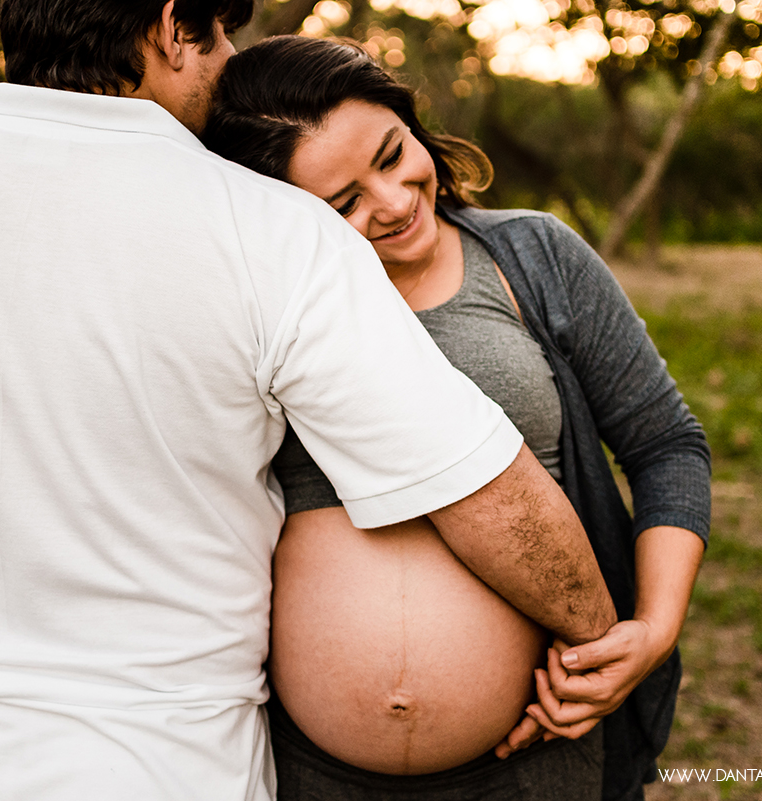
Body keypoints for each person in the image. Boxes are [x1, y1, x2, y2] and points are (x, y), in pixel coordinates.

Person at [0, 3, 622, 800]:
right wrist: (596, 640)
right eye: (218, 41)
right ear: (172, 27)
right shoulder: (270, 229)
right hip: (175, 763)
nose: (223, 75)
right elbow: (479, 484)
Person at [201, 35, 711, 801]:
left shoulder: (532, 257)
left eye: (392, 152)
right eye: (344, 203)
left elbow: (666, 444)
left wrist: (653, 628)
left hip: (537, 759)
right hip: (307, 771)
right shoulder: (257, 313)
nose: (396, 201)